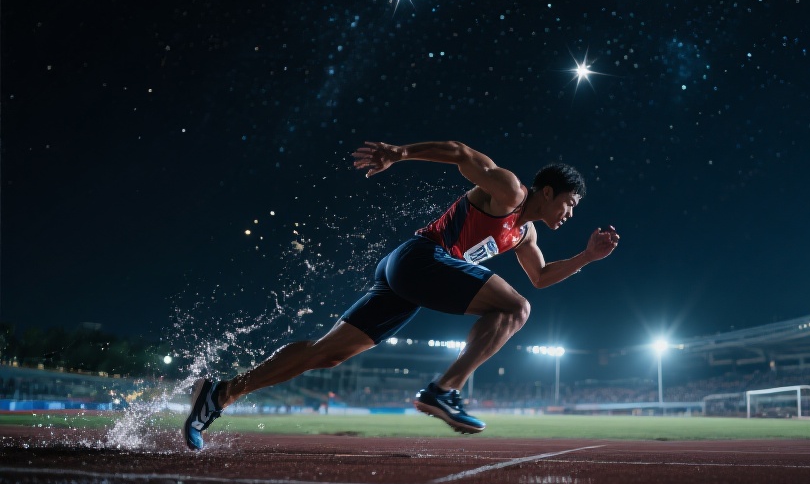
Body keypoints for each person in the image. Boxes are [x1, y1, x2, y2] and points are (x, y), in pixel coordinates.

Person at [183, 140, 620, 448]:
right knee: (516, 308)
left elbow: (541, 276)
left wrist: (585, 256)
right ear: (548, 192)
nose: (570, 214)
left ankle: (221, 393)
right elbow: (460, 153)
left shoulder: (524, 235)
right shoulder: (510, 191)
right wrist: (400, 153)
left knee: (327, 353)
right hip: (418, 258)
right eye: (570, 204)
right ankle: (445, 390)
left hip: (408, 280)